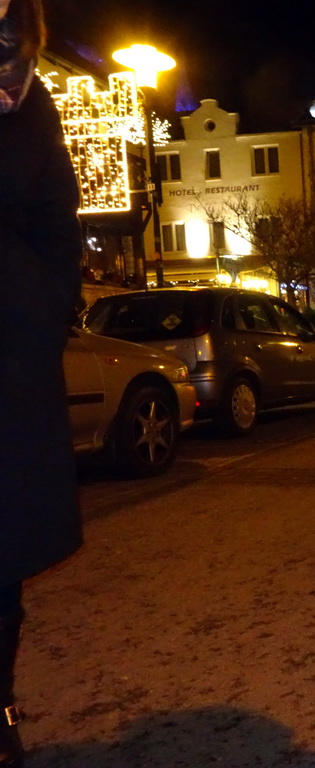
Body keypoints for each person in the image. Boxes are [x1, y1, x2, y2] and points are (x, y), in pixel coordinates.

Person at [1, 1, 83, 765]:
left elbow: (57, 213)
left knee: (1, 552)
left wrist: (44, 297)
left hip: (8, 349)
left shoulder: (32, 102)